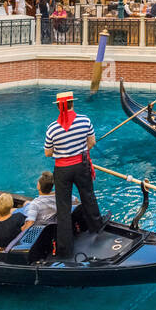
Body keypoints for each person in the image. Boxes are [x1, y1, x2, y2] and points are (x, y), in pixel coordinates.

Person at [44, 91, 102, 260]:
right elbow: (91, 142)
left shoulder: (52, 128)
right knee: (88, 197)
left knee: (63, 208)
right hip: (81, 166)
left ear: (58, 107)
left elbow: (48, 153)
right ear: (72, 104)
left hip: (62, 170)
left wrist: (63, 150)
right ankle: (96, 228)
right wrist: (79, 149)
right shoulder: (85, 120)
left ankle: (64, 249)